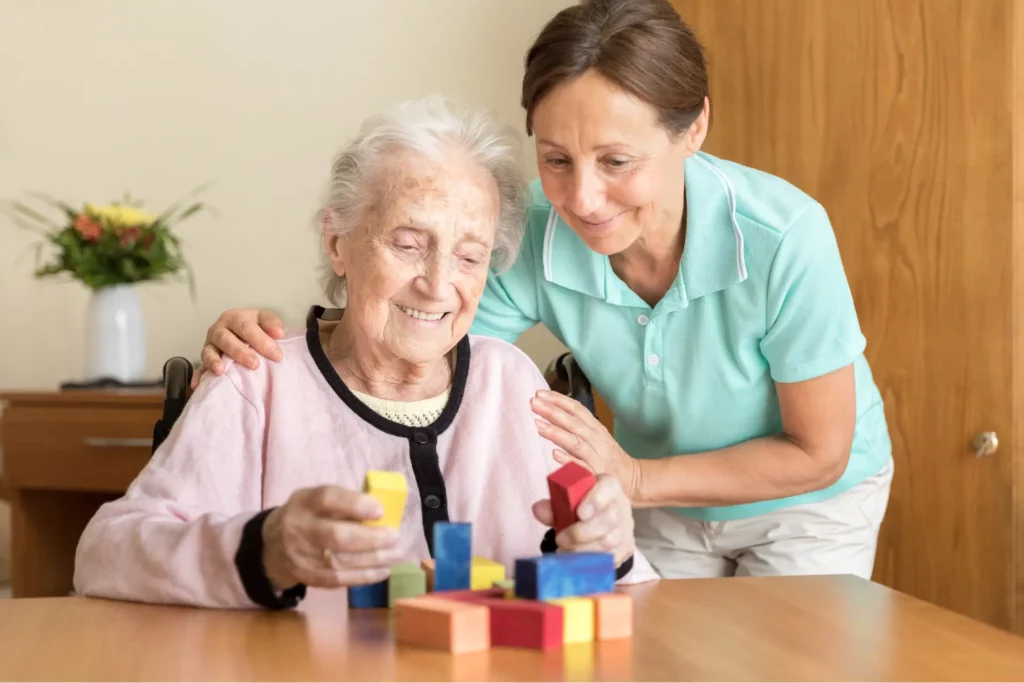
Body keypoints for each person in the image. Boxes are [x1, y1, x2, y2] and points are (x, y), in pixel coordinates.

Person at [195, 0, 893, 580]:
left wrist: (637, 481)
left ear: (694, 129)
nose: (582, 198)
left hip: (809, 500)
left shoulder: (783, 236)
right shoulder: (530, 228)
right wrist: (291, 342)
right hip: (659, 501)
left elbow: (818, 451)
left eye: (617, 161)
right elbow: (423, 347)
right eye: (555, 159)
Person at [73, 96, 655, 610]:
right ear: (337, 243)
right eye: (408, 244)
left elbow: (622, 586)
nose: (436, 283)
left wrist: (611, 548)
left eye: (469, 256)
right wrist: (264, 549)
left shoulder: (510, 382)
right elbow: (105, 553)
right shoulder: (257, 378)